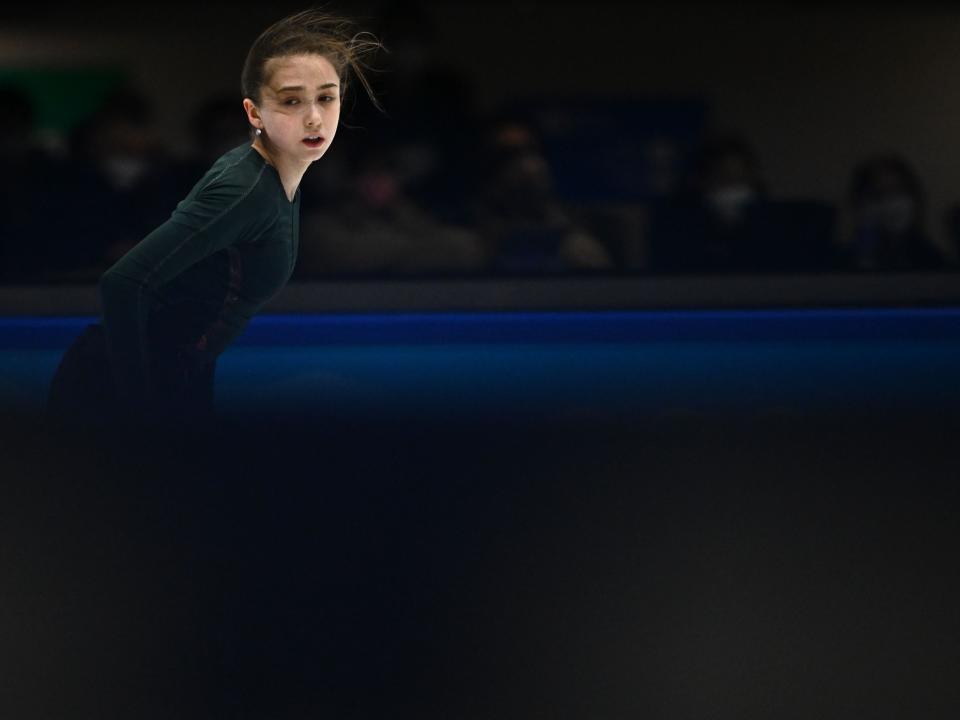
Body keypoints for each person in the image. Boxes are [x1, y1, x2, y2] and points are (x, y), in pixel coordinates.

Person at [44, 8, 382, 432]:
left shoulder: (280, 175)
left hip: (173, 375)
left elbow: (205, 311)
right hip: (118, 389)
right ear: (255, 113)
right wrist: (143, 408)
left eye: (326, 97)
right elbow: (122, 283)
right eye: (291, 100)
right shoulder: (245, 189)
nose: (313, 117)